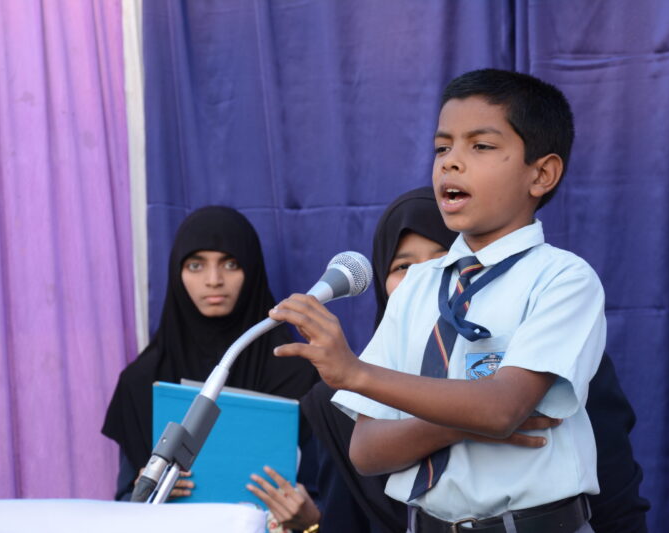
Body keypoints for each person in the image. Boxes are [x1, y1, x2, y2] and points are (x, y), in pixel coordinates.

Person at [270, 69, 611, 532]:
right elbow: (366, 451)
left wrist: (356, 373)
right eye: (442, 147)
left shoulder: (563, 279)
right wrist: (459, 426)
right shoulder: (415, 286)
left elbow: (501, 408)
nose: (451, 162)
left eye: (481, 146)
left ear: (542, 174)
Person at [248, 187, 565, 531]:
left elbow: (612, 487)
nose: (421, 276)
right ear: (384, 283)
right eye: (403, 266)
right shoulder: (335, 401)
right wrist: (463, 424)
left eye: (441, 258)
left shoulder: (534, 346)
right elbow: (354, 487)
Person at [102, 206, 318, 501]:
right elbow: (125, 498)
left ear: (252, 272)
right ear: (177, 273)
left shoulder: (296, 375)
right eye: (196, 265)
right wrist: (143, 493)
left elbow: (322, 497)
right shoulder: (141, 381)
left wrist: (307, 521)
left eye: (230, 264)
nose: (213, 279)